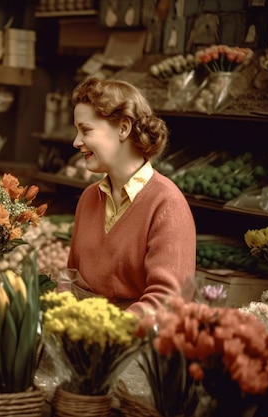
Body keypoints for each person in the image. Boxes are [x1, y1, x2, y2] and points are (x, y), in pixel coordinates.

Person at [65, 77, 196, 316]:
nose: (77, 141)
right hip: (83, 342)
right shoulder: (88, 198)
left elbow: (168, 301)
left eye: (86, 130)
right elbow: (72, 277)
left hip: (136, 345)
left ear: (124, 128)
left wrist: (108, 331)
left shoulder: (167, 203)